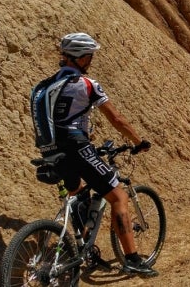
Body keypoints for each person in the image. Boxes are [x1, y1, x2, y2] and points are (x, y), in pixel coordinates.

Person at [45, 32, 157, 277]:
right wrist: (139, 141)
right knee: (118, 196)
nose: (92, 59)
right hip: (76, 148)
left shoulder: (48, 85)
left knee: (77, 194)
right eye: (90, 56)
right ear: (82, 58)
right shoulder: (86, 84)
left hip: (52, 151)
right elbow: (116, 119)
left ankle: (83, 245)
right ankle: (132, 259)